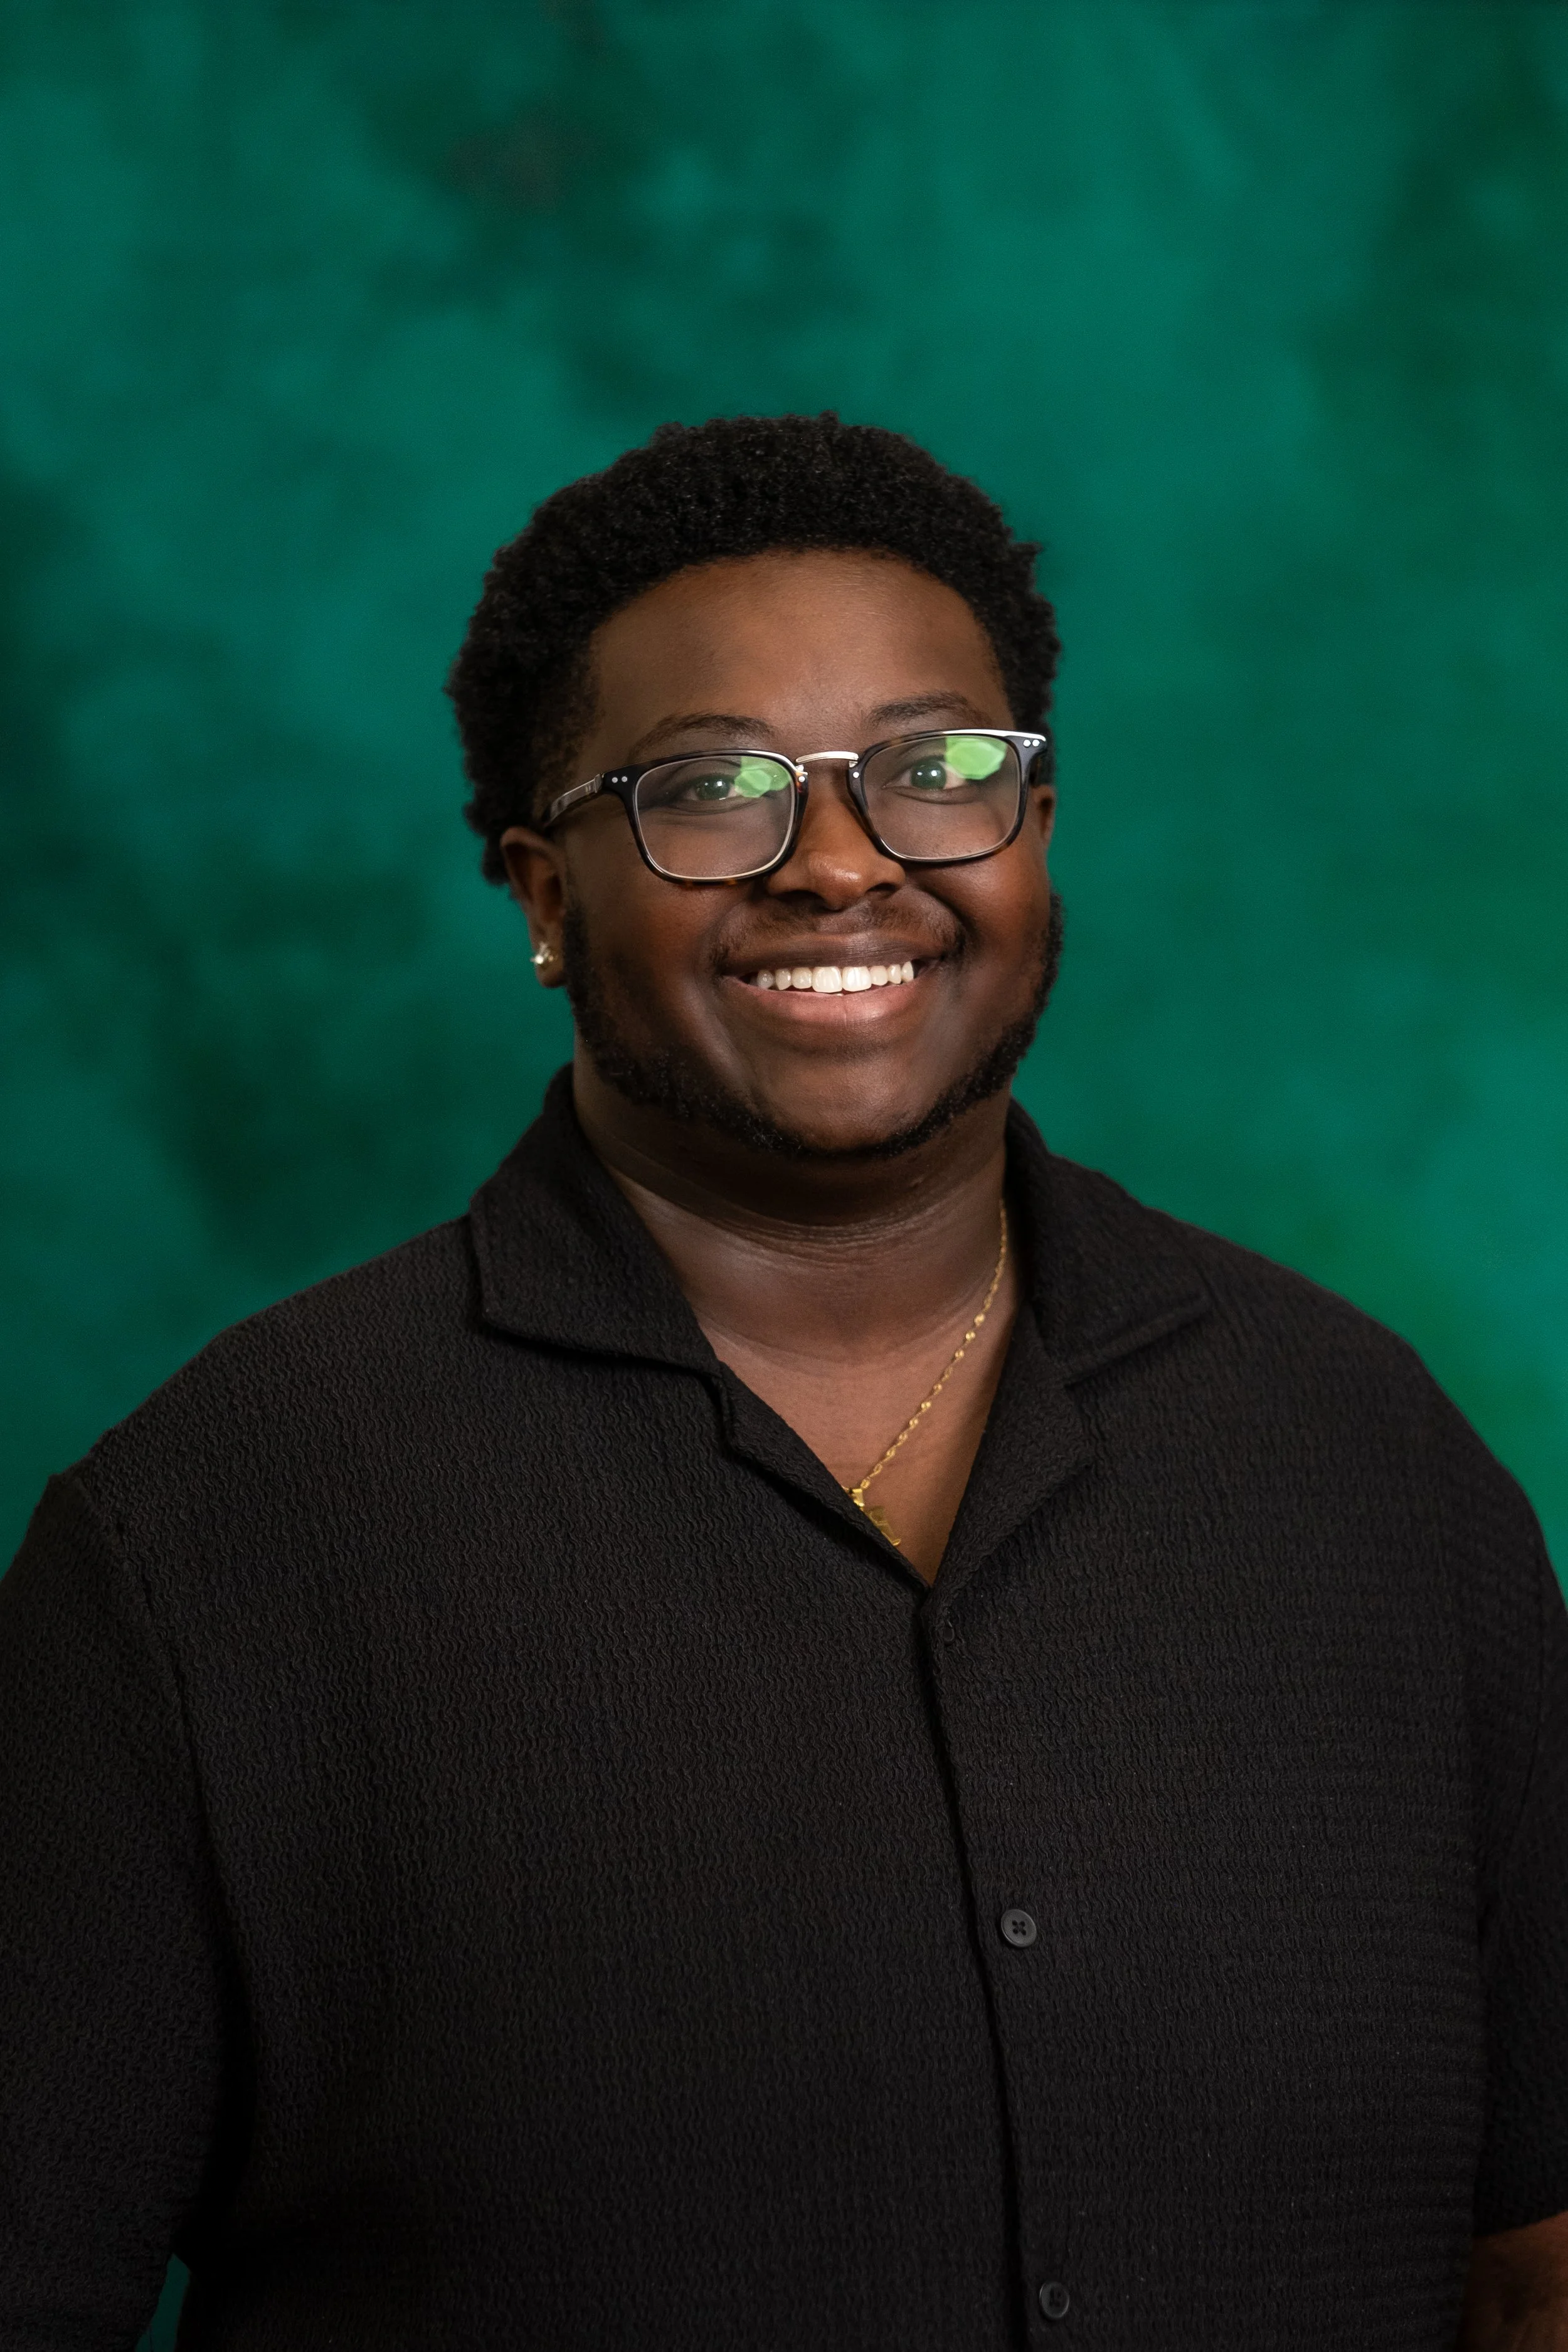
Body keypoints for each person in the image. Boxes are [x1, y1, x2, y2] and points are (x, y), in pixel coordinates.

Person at [1, 414, 1564, 2352]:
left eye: (937, 769)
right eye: (712, 789)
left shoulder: (1371, 1470)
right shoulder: (203, 1545)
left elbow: (1534, 2260)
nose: (842, 864)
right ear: (541, 893)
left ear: (1035, 831)